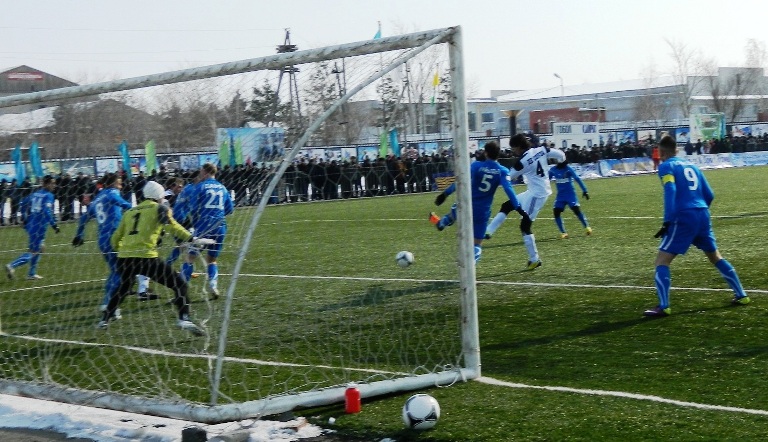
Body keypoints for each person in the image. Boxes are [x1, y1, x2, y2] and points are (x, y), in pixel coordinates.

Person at [643, 135, 749, 317]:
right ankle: (741, 294)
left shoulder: (666, 167)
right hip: (702, 213)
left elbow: (671, 189)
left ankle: (664, 306)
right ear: (677, 150)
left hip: (684, 216)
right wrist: (699, 211)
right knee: (715, 256)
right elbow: (710, 194)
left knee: (662, 261)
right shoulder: (692, 166)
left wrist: (668, 220)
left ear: (661, 152)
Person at [99, 180, 211, 335]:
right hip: (146, 257)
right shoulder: (160, 208)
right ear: (158, 195)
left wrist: (123, 251)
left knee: (123, 288)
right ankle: (183, 318)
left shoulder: (130, 212)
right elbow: (174, 227)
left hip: (125, 259)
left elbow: (115, 239)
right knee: (180, 285)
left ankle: (104, 319)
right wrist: (193, 239)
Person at [429, 141, 530, 262]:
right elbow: (509, 190)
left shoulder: (476, 166)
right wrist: (518, 208)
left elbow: (461, 182)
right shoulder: (502, 171)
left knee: (454, 213)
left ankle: (442, 223)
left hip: (466, 205)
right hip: (483, 211)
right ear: (498, 154)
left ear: (485, 153)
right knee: (477, 244)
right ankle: (471, 265)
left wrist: (445, 194)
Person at [483, 134, 566, 270]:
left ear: (518, 147)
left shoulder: (522, 162)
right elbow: (560, 155)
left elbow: (508, 177)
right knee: (507, 205)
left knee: (525, 226)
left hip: (537, 195)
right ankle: (488, 231)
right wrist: (562, 161)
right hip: (534, 191)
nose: (513, 151)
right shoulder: (541, 149)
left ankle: (534, 259)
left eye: (513, 148)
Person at [73, 173, 138, 317]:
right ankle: (109, 304)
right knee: (122, 271)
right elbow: (125, 205)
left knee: (116, 270)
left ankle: (107, 302)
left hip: (102, 239)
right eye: (119, 183)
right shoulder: (112, 193)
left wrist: (79, 235)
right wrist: (141, 212)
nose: (121, 185)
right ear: (113, 183)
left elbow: (83, 218)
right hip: (114, 237)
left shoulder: (98, 198)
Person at [180, 163, 234, 299]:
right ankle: (213, 286)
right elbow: (230, 209)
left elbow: (193, 208)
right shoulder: (222, 187)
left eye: (201, 171)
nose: (199, 174)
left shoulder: (200, 186)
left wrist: (195, 222)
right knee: (212, 260)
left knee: (190, 258)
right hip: (220, 226)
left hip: (204, 226)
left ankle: (181, 290)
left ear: (205, 172)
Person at [6, 175, 60, 280]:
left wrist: (24, 219)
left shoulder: (35, 194)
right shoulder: (48, 195)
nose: (54, 185)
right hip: (39, 227)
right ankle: (12, 266)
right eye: (52, 183)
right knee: (33, 252)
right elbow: (46, 211)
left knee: (40, 249)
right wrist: (54, 225)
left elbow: (23, 204)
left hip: (32, 225)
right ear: (46, 184)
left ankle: (31, 273)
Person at [548, 159, 592, 239]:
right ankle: (563, 232)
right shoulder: (553, 170)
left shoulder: (568, 169)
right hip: (560, 196)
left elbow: (577, 178)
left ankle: (587, 227)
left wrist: (585, 190)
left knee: (576, 210)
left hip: (570, 194)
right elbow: (547, 180)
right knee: (556, 212)